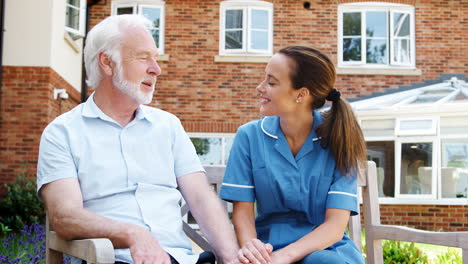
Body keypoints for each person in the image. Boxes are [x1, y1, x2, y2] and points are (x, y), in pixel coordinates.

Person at [37, 15, 239, 264]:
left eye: (155, 58)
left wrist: (231, 258)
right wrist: (131, 234)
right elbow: (65, 217)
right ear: (108, 63)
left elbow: (200, 197)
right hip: (112, 259)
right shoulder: (62, 133)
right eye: (143, 57)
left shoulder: (168, 126)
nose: (157, 69)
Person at [220, 46, 367, 264]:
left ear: (301, 94)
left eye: (271, 82)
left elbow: (335, 226)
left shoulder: (340, 138)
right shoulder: (249, 136)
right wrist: (253, 251)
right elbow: (243, 213)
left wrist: (282, 258)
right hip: (267, 247)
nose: (260, 88)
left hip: (325, 249)